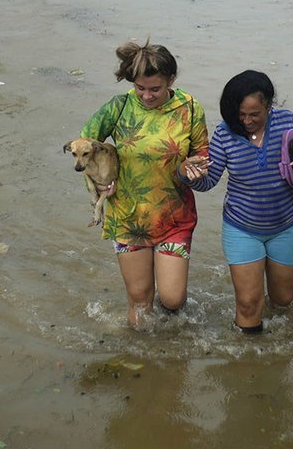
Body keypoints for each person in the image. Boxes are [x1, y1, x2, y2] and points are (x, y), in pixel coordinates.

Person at [79, 40, 209, 328]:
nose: (146, 96)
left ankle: (172, 337)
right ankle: (140, 360)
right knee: (140, 300)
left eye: (155, 89)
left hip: (174, 216)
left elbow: (203, 154)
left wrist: (192, 168)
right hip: (127, 216)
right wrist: (98, 183)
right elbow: (83, 145)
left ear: (171, 80)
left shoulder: (189, 107)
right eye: (140, 88)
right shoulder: (119, 106)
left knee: (173, 299)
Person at [189, 70, 293, 334]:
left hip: (287, 224)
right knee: (249, 303)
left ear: (269, 105)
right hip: (242, 228)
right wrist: (189, 174)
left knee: (283, 300)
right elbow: (208, 182)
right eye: (240, 114)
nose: (247, 121)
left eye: (254, 114)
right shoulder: (224, 133)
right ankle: (250, 362)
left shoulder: (287, 122)